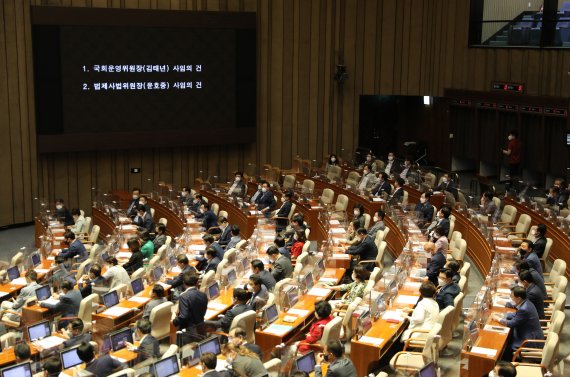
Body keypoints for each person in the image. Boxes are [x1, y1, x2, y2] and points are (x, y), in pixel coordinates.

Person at [494, 286, 543, 360]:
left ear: (519, 298)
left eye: (512, 297)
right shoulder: (526, 302)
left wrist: (498, 319)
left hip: (530, 340)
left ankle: (507, 362)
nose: (511, 299)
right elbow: (516, 314)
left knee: (507, 346)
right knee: (508, 337)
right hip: (529, 333)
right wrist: (503, 315)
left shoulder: (524, 309)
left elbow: (511, 324)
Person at [172, 272, 208, 337]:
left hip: (188, 332)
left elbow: (183, 316)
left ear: (183, 283)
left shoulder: (184, 296)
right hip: (201, 328)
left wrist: (174, 322)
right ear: (197, 283)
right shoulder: (203, 295)